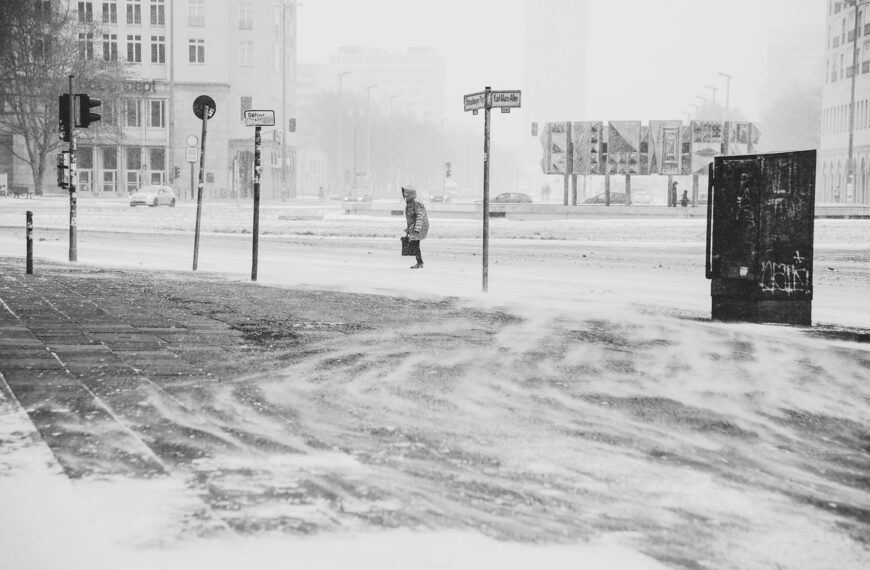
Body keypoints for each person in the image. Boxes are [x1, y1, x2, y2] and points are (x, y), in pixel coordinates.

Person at [402, 185, 429, 269]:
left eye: (406, 195)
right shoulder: (409, 205)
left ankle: (420, 262)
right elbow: (410, 219)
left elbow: (420, 216)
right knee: (415, 244)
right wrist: (408, 229)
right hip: (415, 226)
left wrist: (417, 228)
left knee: (415, 244)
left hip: (420, 226)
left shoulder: (416, 204)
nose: (405, 197)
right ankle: (419, 262)